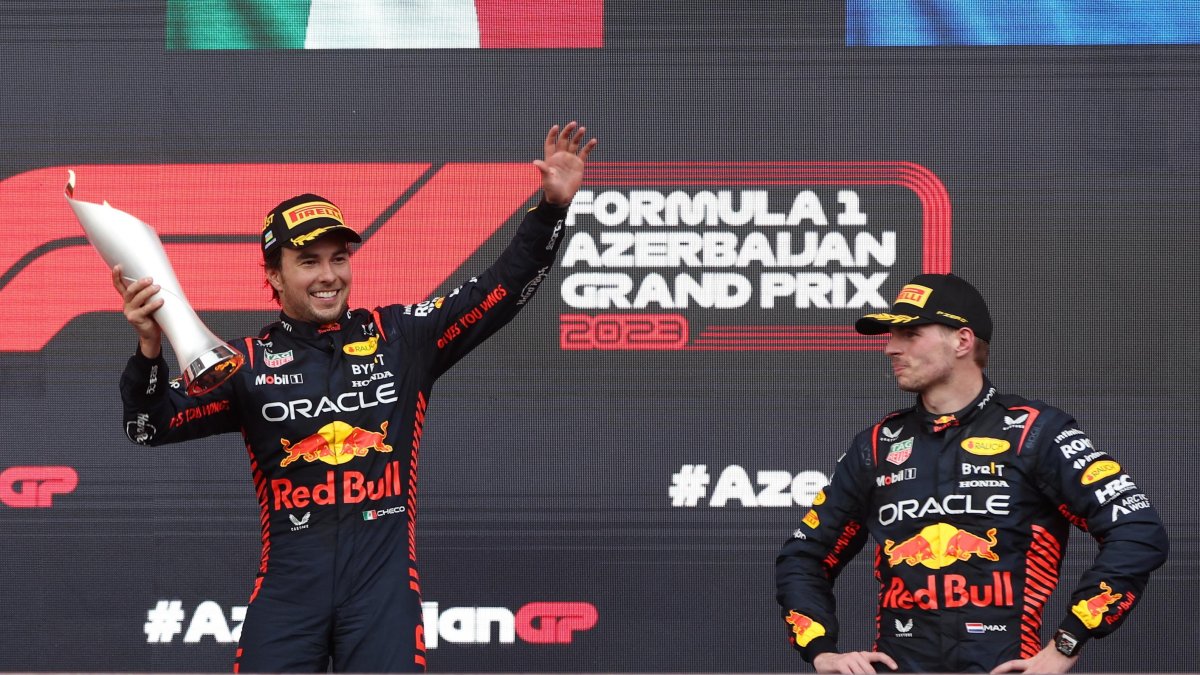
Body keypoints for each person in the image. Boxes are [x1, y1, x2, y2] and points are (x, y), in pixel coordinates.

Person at [114, 122, 597, 673]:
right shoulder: (244, 365)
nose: (329, 276)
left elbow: (499, 289)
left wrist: (551, 209)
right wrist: (149, 350)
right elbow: (147, 426)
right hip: (289, 591)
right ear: (273, 275)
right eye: (309, 261)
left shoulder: (402, 337)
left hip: (382, 592)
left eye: (338, 258)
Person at [775, 273, 1168, 673]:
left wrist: (1066, 643)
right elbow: (803, 557)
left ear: (962, 341)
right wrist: (821, 649)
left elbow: (1137, 532)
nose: (891, 347)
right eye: (892, 335)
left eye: (910, 334)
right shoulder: (876, 446)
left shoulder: (1035, 433)